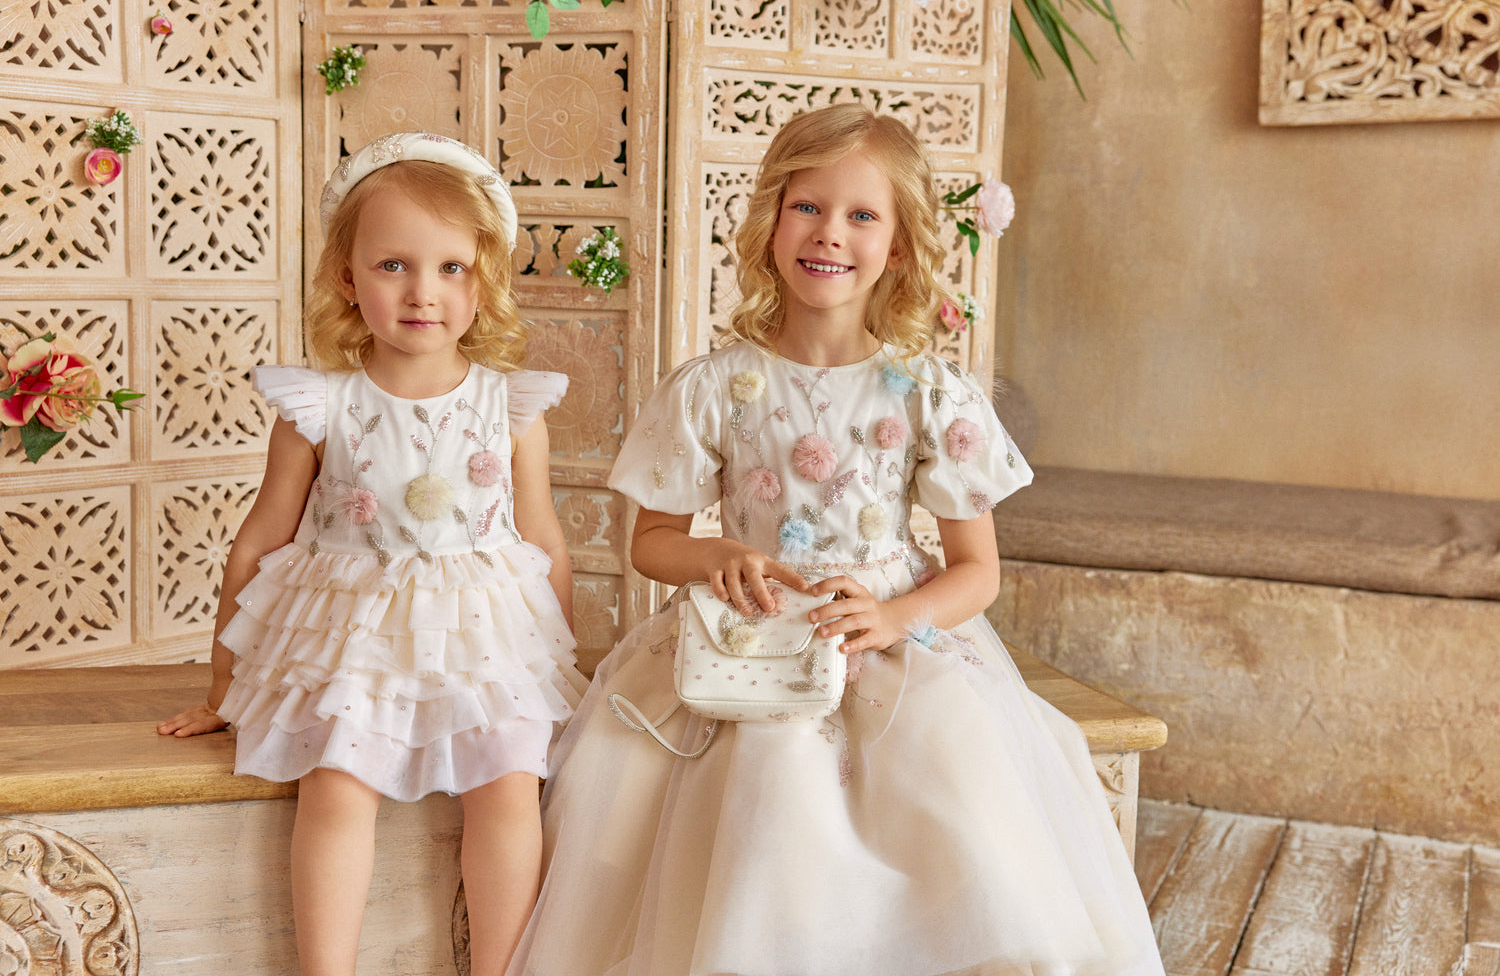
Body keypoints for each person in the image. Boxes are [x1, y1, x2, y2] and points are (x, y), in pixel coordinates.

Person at [507, 104, 1166, 976]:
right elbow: (655, 541)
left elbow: (977, 572)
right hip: (750, 639)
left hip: (891, 640)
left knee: (960, 798)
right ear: (773, 222)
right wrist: (719, 558)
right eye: (807, 206)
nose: (830, 233)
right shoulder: (716, 386)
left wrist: (897, 616)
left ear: (897, 247)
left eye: (862, 215)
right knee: (737, 792)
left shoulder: (928, 390)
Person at [157, 132, 587, 976]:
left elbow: (542, 541)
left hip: (484, 640)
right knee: (337, 780)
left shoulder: (511, 406)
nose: (423, 292)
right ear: (348, 279)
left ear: (484, 278)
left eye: (451, 268)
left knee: (507, 782)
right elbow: (261, 536)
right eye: (393, 266)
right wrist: (223, 683)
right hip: (356, 646)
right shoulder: (321, 404)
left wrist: (557, 674)